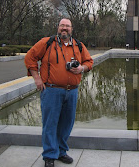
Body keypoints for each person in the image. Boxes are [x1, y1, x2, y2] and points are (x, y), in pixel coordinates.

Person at [24, 18, 93, 167]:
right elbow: (30, 58)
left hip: (72, 91)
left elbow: (89, 62)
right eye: (62, 25)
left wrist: (81, 68)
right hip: (51, 90)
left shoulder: (78, 46)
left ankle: (61, 151)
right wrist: (37, 78)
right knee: (50, 124)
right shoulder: (47, 43)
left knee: (66, 124)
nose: (64, 28)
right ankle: (49, 155)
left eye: (67, 26)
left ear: (71, 29)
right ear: (58, 27)